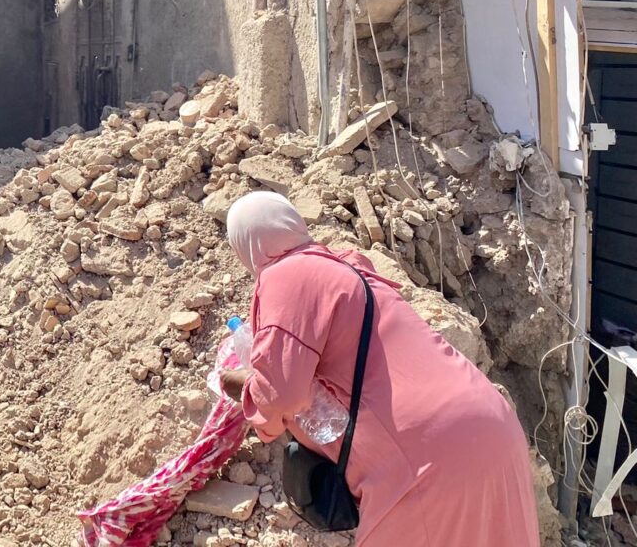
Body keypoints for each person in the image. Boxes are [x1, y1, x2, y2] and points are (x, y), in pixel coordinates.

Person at [217, 191, 539, 547]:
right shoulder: (348, 267)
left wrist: (246, 391)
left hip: (425, 455)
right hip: (493, 429)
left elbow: (282, 393)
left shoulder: (286, 275)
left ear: (245, 245)